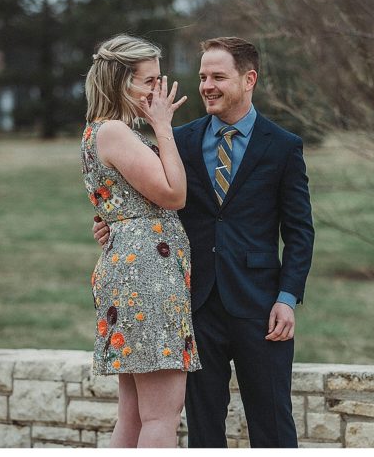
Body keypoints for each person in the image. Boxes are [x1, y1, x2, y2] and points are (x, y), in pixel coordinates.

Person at [93, 37, 314, 447]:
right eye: (201, 77)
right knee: (202, 428)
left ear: (249, 79)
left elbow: (300, 231)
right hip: (193, 304)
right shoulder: (179, 140)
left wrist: (287, 296)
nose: (206, 85)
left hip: (261, 307)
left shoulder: (283, 146)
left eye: (218, 76)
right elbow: (154, 205)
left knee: (273, 424)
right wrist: (111, 226)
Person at [81, 34, 200, 448]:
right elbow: (174, 194)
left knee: (132, 417)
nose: (157, 92)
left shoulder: (98, 132)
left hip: (133, 267)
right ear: (119, 81)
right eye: (148, 81)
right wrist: (163, 128)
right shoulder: (114, 131)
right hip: (147, 276)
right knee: (160, 416)